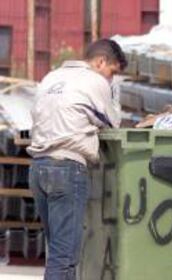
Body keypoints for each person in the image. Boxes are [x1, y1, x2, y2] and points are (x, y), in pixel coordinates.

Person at [27, 39, 127, 279]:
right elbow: (113, 122)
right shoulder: (94, 81)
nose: (110, 79)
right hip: (67, 170)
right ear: (100, 62)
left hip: (39, 169)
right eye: (112, 72)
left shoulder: (51, 77)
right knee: (64, 259)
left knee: (59, 252)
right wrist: (113, 93)